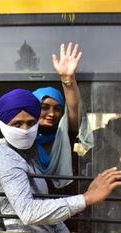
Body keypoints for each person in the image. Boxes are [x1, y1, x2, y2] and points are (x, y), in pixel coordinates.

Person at [0, 89, 121, 233]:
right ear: (3, 125)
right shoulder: (6, 158)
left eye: (30, 123)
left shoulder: (29, 155)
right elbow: (29, 212)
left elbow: (47, 211)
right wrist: (87, 198)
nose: (25, 130)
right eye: (17, 125)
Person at [32, 42, 83, 191]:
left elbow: (74, 108)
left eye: (57, 109)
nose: (52, 114)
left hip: (66, 202)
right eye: (44, 108)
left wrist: (67, 79)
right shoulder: (24, 137)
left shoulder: (64, 134)